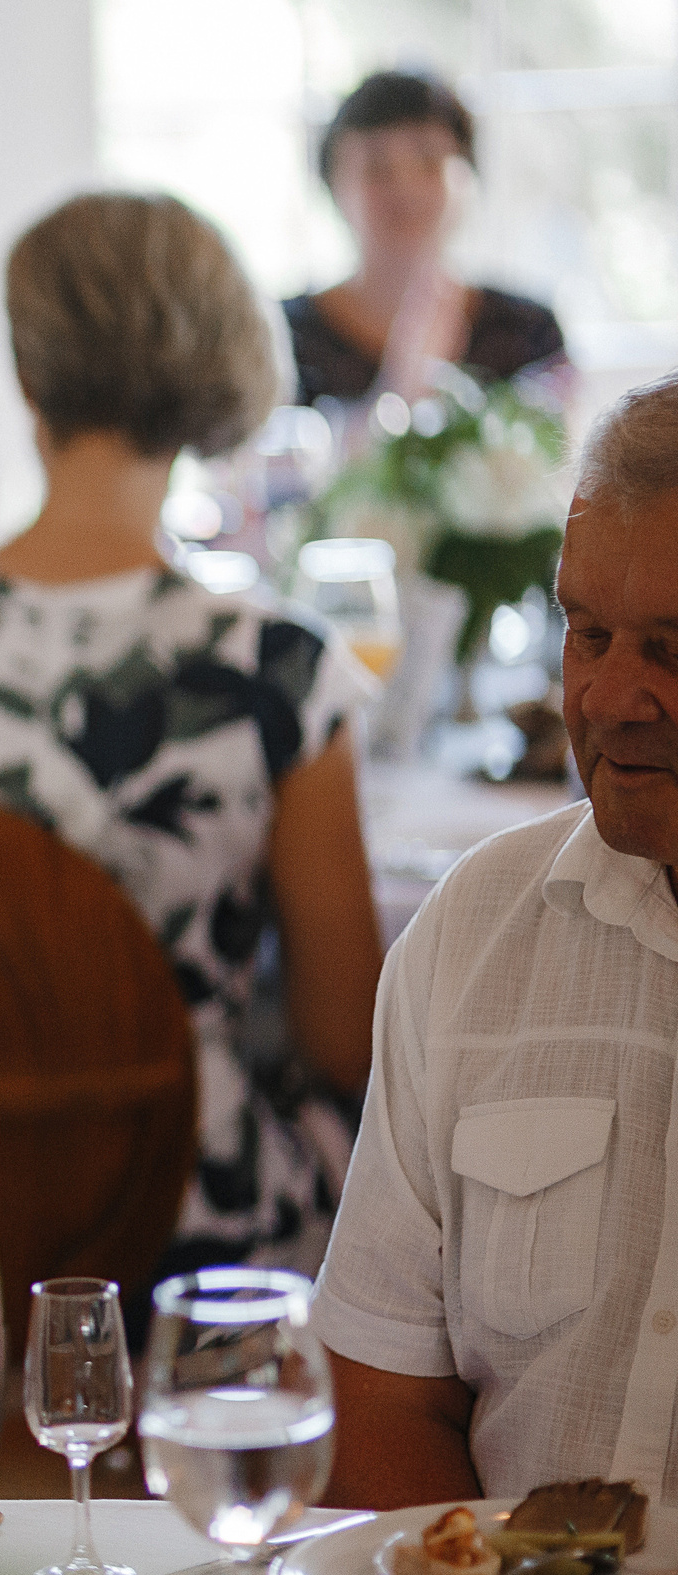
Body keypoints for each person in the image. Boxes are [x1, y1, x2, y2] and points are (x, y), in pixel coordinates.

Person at [0, 192, 384, 1278]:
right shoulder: (278, 669)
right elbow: (343, 1039)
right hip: (198, 1233)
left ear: (28, 375)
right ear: (213, 369)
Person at [316, 374, 678, 1510]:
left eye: (670, 649)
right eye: (588, 632)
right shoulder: (476, 933)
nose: (611, 694)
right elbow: (378, 1395)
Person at [284, 70, 570, 411]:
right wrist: (400, 388)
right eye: (377, 167)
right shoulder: (284, 335)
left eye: (429, 162)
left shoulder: (528, 330)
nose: (405, 188)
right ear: (333, 185)